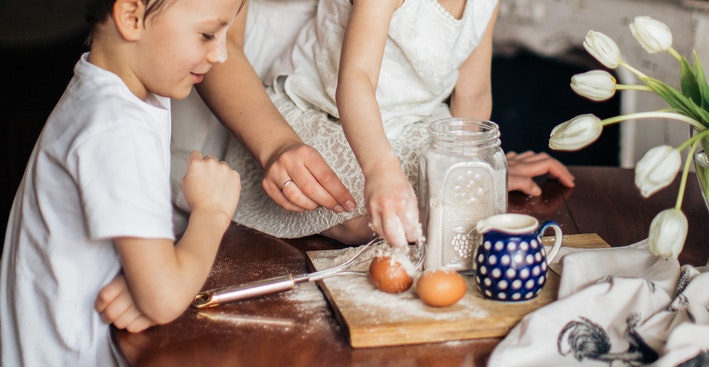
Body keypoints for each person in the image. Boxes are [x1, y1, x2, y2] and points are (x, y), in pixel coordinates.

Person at [0, 0, 241, 367]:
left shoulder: (119, 90)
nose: (222, 56)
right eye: (208, 35)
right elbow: (166, 298)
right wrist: (210, 214)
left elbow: (137, 249)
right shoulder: (114, 129)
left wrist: (146, 279)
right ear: (131, 17)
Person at [171, 0, 575, 248]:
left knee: (451, 203)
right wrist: (381, 170)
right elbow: (356, 80)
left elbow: (472, 95)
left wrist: (476, 166)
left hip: (410, 120)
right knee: (373, 212)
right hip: (324, 111)